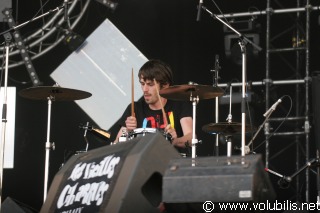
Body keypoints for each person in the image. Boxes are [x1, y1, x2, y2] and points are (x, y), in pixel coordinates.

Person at [115, 59, 193, 153]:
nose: (145, 89)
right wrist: (127, 131)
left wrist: (175, 141)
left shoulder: (179, 105)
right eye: (142, 84)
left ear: (165, 85)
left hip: (174, 165)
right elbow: (115, 146)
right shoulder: (134, 108)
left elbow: (191, 138)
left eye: (150, 84)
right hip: (142, 165)